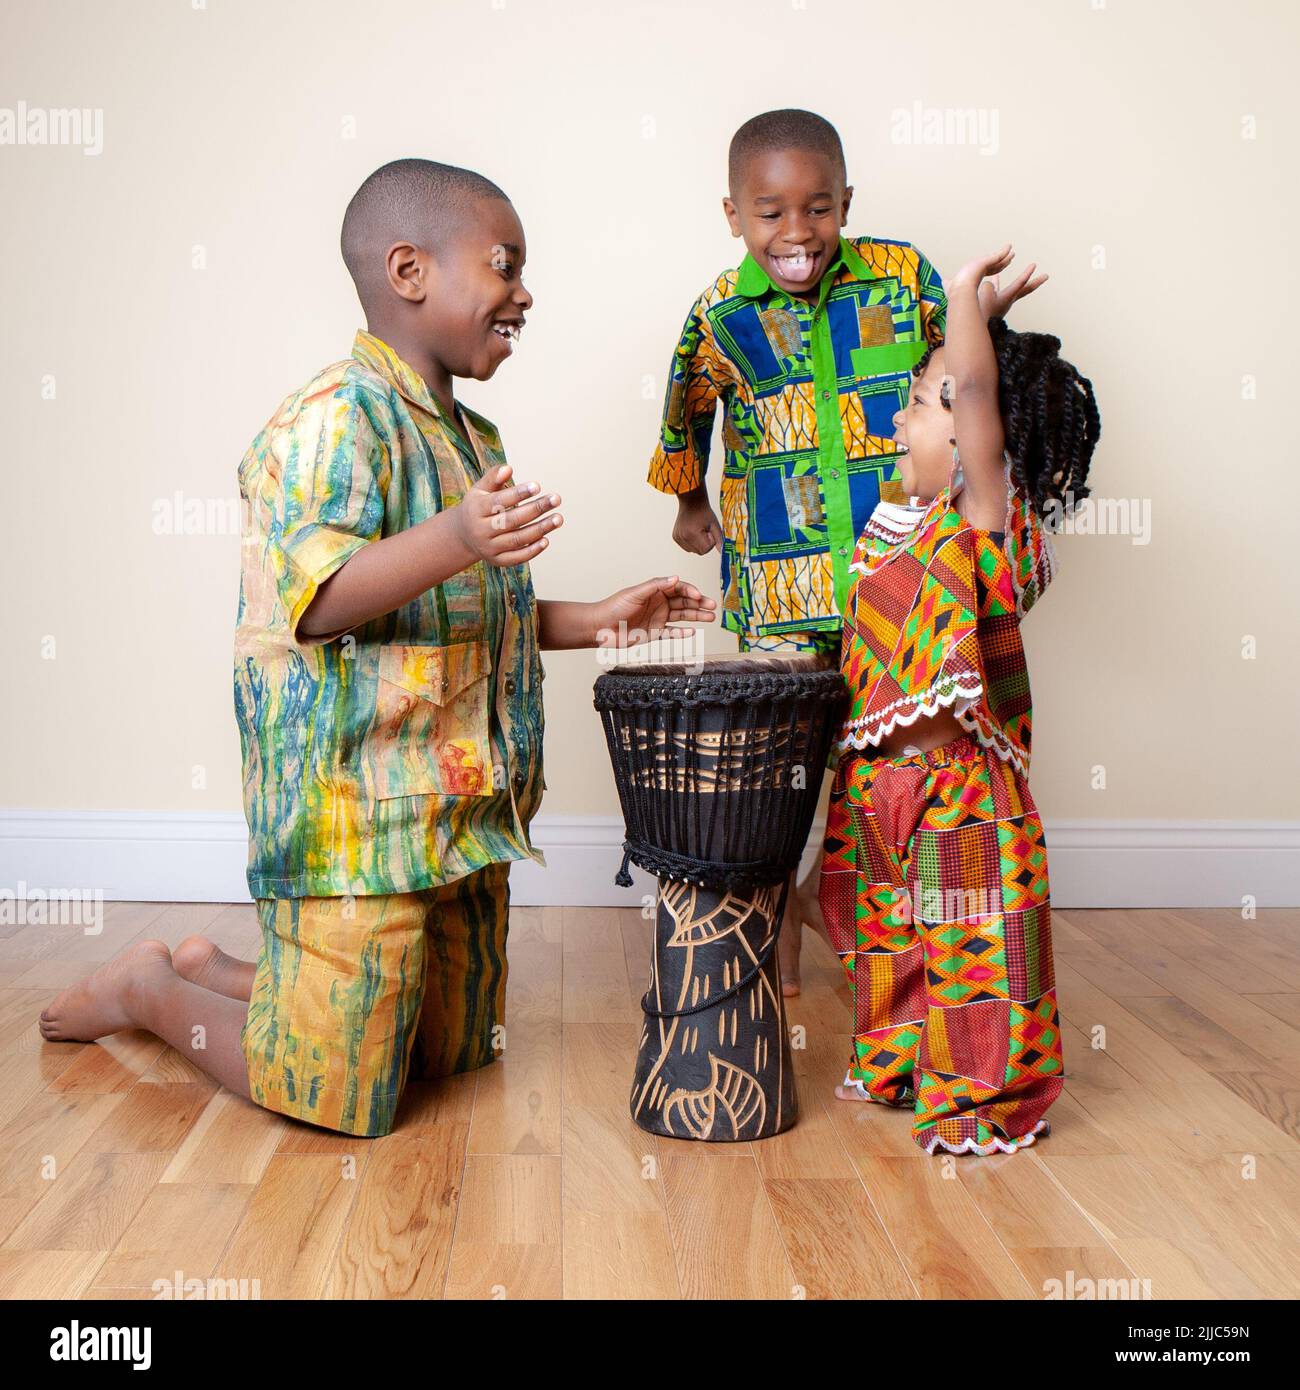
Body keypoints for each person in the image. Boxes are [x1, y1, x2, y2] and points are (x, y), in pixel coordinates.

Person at [39, 159, 716, 1138]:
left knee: (453, 1052)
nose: (524, 292)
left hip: (458, 817)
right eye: (503, 264)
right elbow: (315, 606)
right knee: (348, 1099)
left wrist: (609, 618)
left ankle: (249, 975)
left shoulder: (469, 438)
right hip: (356, 823)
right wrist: (458, 538)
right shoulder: (332, 419)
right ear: (408, 271)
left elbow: (473, 617)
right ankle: (154, 990)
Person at [648, 109, 946, 994]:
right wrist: (690, 503)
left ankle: (874, 923)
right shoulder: (720, 313)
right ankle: (774, 921)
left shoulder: (902, 280)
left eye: (818, 208)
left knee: (887, 756)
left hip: (898, 572)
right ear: (733, 214)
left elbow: (956, 380)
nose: (797, 232)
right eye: (770, 211)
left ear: (846, 202)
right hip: (780, 584)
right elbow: (683, 411)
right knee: (779, 769)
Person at [819, 245, 1100, 1154]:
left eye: (920, 397)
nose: (899, 416)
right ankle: (902, 1061)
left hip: (961, 794)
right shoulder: (893, 527)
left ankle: (982, 1092)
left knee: (970, 944)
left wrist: (964, 309)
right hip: (879, 787)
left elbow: (975, 395)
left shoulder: (986, 518)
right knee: (892, 943)